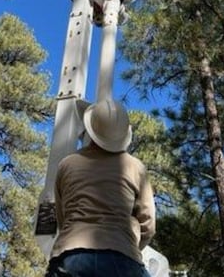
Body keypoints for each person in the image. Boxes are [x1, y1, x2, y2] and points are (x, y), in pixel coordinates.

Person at [45, 98, 156, 277]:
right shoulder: (136, 167)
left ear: (90, 130)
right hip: (123, 259)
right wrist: (130, 246)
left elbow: (62, 216)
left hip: (70, 254)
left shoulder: (67, 164)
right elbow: (148, 224)